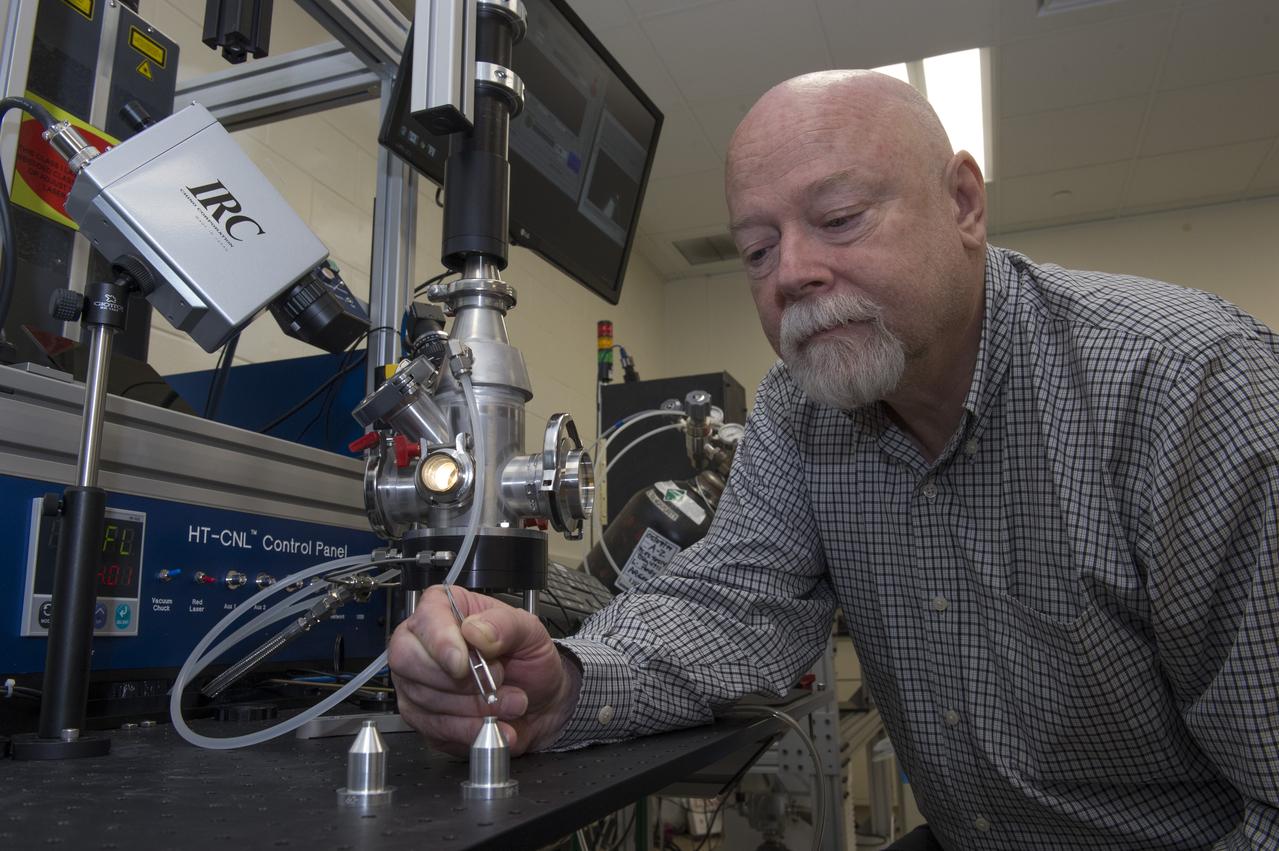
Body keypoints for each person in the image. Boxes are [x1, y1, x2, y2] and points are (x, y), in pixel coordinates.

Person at [388, 71, 1279, 849]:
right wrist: (563, 685)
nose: (792, 274)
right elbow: (734, 607)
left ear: (964, 202)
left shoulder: (1185, 382)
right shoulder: (800, 406)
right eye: (757, 250)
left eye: (840, 218)